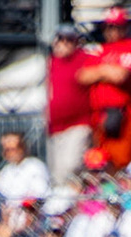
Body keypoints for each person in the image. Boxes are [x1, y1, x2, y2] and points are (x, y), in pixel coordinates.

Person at [81, 7, 131, 171]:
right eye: (108, 26)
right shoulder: (97, 49)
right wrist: (108, 70)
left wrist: (99, 71)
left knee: (123, 161)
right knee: (100, 161)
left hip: (124, 114)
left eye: (117, 26)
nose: (112, 31)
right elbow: (82, 76)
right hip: (100, 115)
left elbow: (121, 76)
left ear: (126, 27)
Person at [45, 23, 96, 189]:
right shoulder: (51, 62)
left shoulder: (83, 58)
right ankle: (64, 210)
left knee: (71, 166)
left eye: (69, 40)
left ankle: (76, 205)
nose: (63, 43)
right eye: (60, 39)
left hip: (78, 123)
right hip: (55, 127)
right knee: (58, 175)